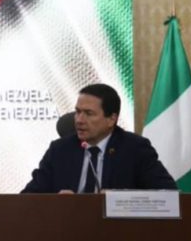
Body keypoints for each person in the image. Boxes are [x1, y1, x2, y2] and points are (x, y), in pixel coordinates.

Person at [21, 83, 177, 193]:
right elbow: (28, 197)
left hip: (118, 229)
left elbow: (168, 194)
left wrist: (120, 200)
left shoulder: (135, 149)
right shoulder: (59, 150)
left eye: (89, 114)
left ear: (111, 119)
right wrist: (56, 201)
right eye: (78, 112)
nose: (79, 120)